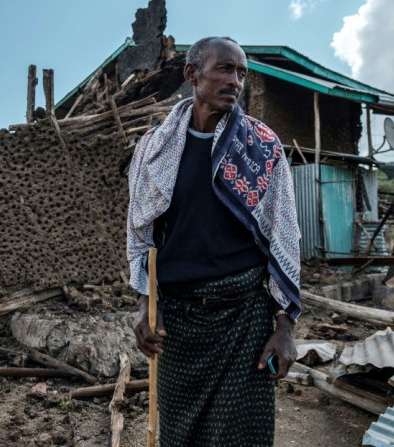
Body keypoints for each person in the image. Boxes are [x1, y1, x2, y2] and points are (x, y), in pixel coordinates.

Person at [127, 37, 302, 446]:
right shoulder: (154, 149)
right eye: (224, 69)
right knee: (178, 436)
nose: (235, 81)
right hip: (180, 326)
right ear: (192, 74)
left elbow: (285, 235)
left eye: (241, 73)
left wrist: (285, 324)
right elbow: (140, 235)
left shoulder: (262, 148)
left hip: (244, 322)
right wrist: (145, 306)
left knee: (243, 437)